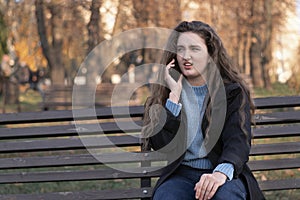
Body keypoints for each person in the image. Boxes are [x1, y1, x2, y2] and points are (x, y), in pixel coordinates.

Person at [142, 21, 265, 200]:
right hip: (181, 175)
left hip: (221, 171)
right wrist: (173, 100)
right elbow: (163, 148)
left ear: (210, 54)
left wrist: (220, 174)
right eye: (181, 49)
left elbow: (238, 140)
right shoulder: (165, 95)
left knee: (226, 197)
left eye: (194, 49)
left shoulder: (231, 92)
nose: (186, 56)